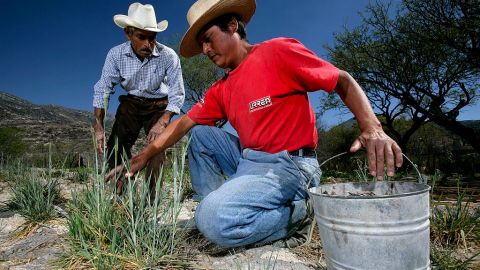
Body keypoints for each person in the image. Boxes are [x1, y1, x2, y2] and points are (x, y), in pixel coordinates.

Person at [107, 0, 403, 248]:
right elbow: (183, 123)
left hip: (290, 164)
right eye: (201, 45)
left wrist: (372, 127)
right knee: (201, 135)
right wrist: (142, 157)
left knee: (211, 221)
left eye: (209, 39)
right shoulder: (221, 89)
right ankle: (219, 215)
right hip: (249, 161)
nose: (206, 50)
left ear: (232, 26)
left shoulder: (277, 51)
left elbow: (340, 79)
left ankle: (303, 211)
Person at [94, 2, 185, 196]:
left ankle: (152, 199)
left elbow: (177, 93)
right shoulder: (116, 54)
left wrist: (164, 120)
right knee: (116, 145)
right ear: (128, 34)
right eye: (141, 37)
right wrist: (98, 126)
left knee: (157, 148)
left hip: (159, 106)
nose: (147, 44)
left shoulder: (168, 56)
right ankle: (122, 192)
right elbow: (103, 89)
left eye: (152, 38)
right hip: (131, 103)